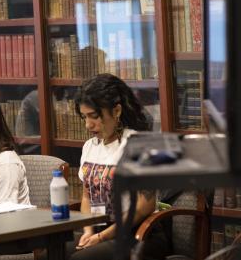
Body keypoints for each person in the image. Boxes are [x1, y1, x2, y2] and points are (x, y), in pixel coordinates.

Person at [68, 74, 168, 260]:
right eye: (84, 117)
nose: (88, 124)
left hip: (138, 235)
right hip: (100, 230)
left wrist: (102, 236)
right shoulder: (90, 146)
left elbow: (143, 208)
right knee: (50, 253)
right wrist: (88, 231)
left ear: (116, 111)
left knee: (80, 259)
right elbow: (86, 196)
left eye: (94, 116)